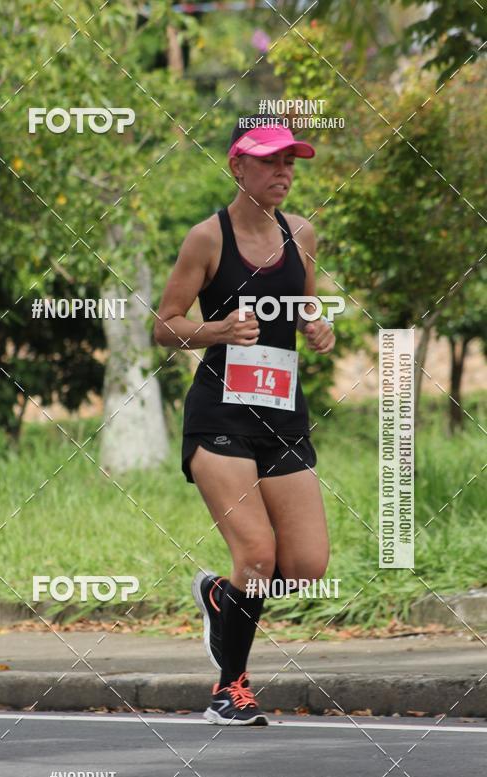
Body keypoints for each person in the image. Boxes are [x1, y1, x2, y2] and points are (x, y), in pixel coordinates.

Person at [154, 115, 335, 725]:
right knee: (256, 555)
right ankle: (229, 688)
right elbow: (164, 325)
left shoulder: (302, 232)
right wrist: (216, 330)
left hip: (283, 413)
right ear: (238, 166)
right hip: (220, 413)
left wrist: (317, 327)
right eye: (271, 161)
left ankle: (219, 597)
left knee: (306, 566)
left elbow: (302, 304)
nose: (284, 172)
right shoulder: (207, 239)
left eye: (291, 162)